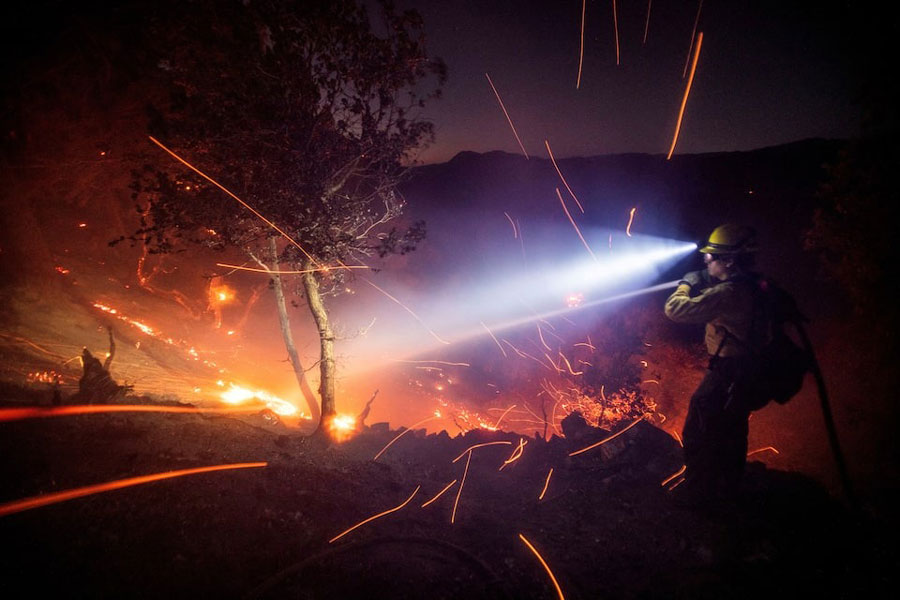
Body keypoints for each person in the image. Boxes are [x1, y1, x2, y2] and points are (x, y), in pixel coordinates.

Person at [664, 224, 770, 504]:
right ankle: (728, 490)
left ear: (730, 261)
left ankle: (700, 496)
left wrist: (686, 284)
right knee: (732, 429)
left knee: (700, 429)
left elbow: (675, 310)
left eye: (712, 256)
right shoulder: (751, 285)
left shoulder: (727, 294)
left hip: (728, 372)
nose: (706, 260)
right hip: (747, 369)